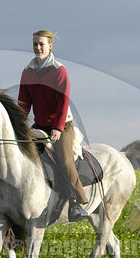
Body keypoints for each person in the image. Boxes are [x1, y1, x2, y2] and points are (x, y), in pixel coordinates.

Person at [18, 30, 89, 222]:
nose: (38, 48)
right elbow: (23, 103)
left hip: (62, 125)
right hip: (40, 124)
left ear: (50, 46)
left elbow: (63, 102)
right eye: (35, 44)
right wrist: (19, 126)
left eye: (41, 44)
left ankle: (78, 201)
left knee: (64, 161)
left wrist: (57, 128)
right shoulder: (27, 71)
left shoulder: (59, 70)